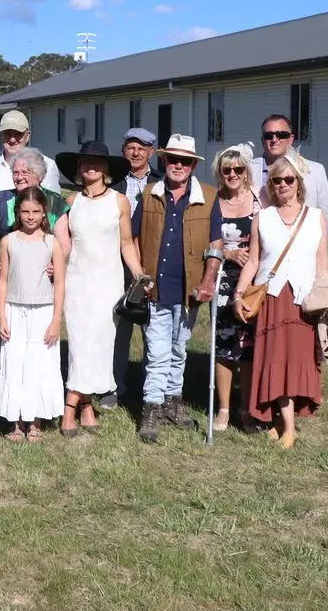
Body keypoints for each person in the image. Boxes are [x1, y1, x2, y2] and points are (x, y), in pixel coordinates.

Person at [131, 134, 223, 444]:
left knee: (178, 348)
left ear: (193, 165)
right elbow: (134, 236)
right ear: (165, 161)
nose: (178, 165)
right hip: (155, 289)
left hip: (189, 291)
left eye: (185, 161)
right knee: (157, 352)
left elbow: (216, 243)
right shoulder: (149, 194)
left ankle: (172, 400)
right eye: (173, 159)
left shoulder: (208, 196)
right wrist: (140, 275)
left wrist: (209, 280)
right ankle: (152, 407)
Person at [234, 152, 328, 448]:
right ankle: (285, 424)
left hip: (303, 302)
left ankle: (285, 424)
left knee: (296, 360)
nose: (283, 185)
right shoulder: (262, 218)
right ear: (271, 185)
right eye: (277, 180)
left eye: (288, 179)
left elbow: (322, 264)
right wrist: (239, 294)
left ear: (298, 183)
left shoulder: (316, 218)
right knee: (275, 360)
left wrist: (325, 302)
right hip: (272, 300)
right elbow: (253, 262)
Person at [56, 141, 147, 436]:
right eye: (86, 162)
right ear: (79, 168)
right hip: (77, 283)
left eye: (97, 162)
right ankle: (74, 407)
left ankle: (82, 406)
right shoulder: (71, 202)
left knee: (100, 347)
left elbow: (126, 243)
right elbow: (62, 244)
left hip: (108, 283)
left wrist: (139, 274)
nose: (91, 166)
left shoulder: (120, 202)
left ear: (106, 168)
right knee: (79, 346)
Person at [0, 188, 66, 442]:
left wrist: (56, 321)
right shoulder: (8, 241)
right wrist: (2, 317)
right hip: (14, 309)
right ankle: (15, 421)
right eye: (25, 211)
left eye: (36, 211)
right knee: (15, 362)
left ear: (44, 212)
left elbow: (60, 284)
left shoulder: (52, 243)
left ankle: (35, 421)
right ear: (18, 212)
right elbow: (3, 280)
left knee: (39, 364)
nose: (31, 216)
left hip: (43, 311)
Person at [107, 127, 161, 411]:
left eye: (142, 148)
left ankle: (153, 390)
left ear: (151, 151)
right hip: (118, 265)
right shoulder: (112, 183)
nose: (136, 152)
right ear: (123, 150)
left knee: (154, 331)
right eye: (131, 147)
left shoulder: (162, 183)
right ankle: (114, 387)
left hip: (152, 264)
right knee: (119, 330)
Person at [208, 144, 260, 431]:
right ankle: (224, 409)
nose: (232, 174)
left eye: (238, 169)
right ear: (219, 172)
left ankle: (247, 409)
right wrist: (227, 253)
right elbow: (201, 241)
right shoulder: (212, 201)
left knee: (249, 347)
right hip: (223, 280)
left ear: (246, 171)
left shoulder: (260, 199)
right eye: (226, 169)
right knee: (224, 346)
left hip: (253, 282)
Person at [250, 114, 328, 232]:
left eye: (281, 135)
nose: (274, 140)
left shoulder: (315, 171)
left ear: (291, 139)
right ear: (262, 141)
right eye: (268, 135)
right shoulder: (246, 171)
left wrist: (314, 239)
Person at [0, 109, 61, 197]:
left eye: (18, 134)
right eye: (7, 133)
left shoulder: (47, 165)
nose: (12, 139)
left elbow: (53, 202)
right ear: (0, 135)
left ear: (27, 136)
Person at [0, 148, 69, 240]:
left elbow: (63, 243)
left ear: (40, 176)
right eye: (15, 173)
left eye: (25, 172)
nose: (19, 177)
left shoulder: (55, 202)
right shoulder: (2, 199)